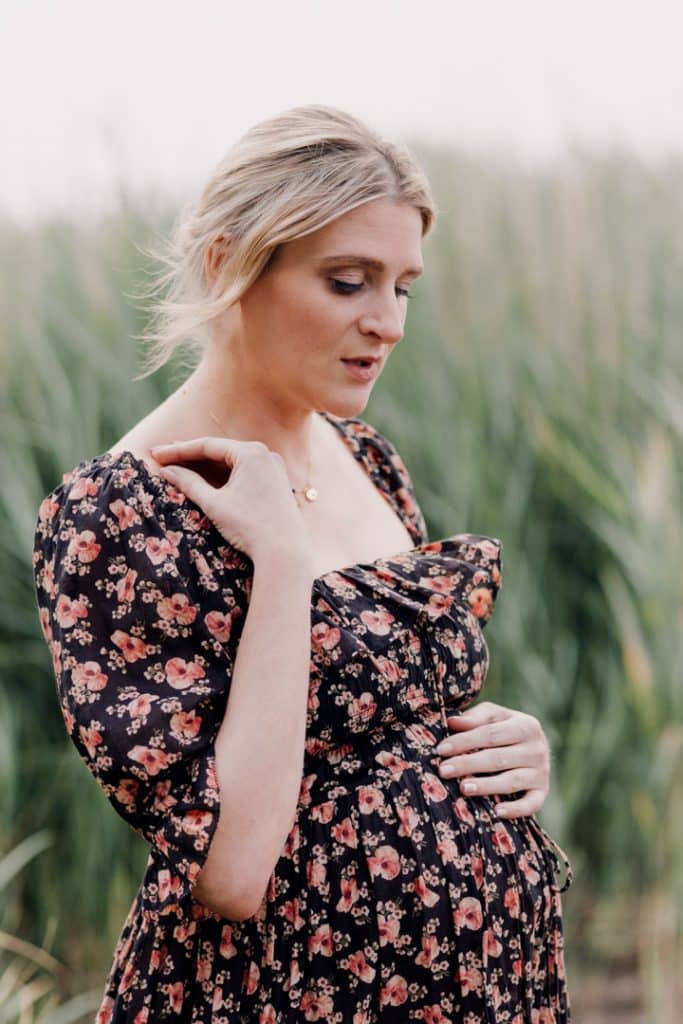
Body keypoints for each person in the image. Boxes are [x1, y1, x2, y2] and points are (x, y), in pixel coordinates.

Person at [32, 104, 572, 1022]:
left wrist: (506, 749)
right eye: (347, 281)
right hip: (289, 997)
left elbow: (379, 726)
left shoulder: (366, 459)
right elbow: (230, 873)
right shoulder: (119, 515)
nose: (387, 323)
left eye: (403, 286)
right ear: (226, 264)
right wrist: (278, 559)